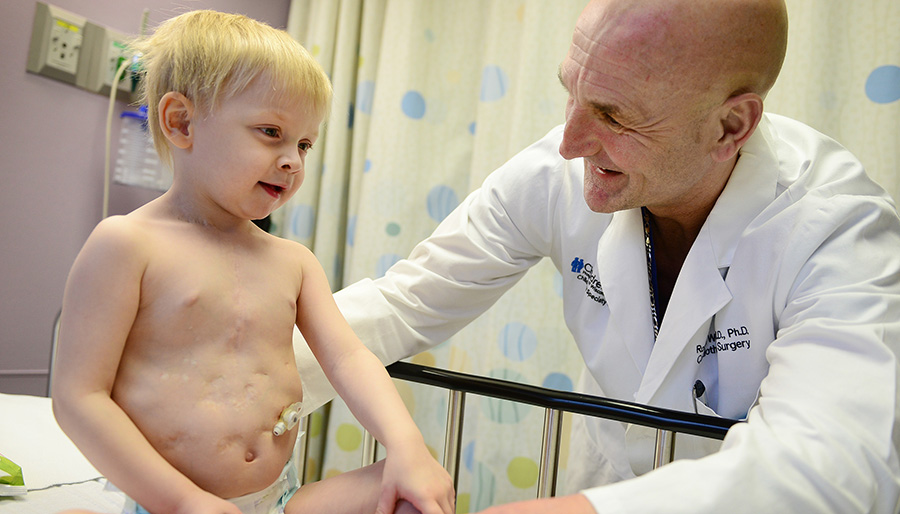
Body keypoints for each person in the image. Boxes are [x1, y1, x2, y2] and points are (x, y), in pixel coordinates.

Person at [291, 0, 900, 512]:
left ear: (730, 126)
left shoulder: (839, 230)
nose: (570, 142)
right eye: (572, 93)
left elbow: (823, 462)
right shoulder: (556, 174)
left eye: (613, 114)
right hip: (602, 482)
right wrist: (239, 382)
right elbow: (403, 304)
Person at [51, 10, 453, 514]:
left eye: (304, 144)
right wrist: (185, 502)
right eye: (270, 132)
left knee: (417, 488)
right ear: (181, 122)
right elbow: (79, 397)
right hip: (172, 505)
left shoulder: (293, 262)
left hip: (279, 500)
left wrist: (407, 446)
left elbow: (349, 359)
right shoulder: (129, 244)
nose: (293, 161)